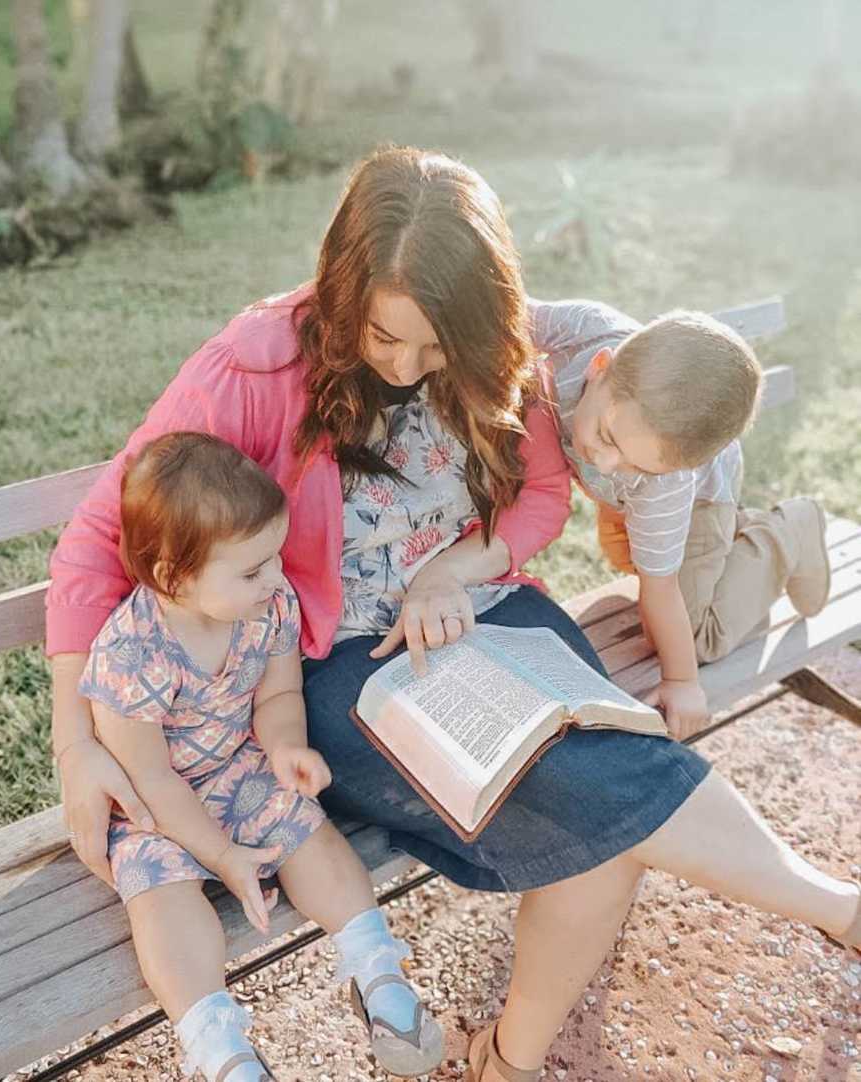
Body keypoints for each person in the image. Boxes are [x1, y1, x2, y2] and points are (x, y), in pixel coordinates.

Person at [48, 146, 859, 1082]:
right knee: (611, 803)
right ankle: (833, 908)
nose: (405, 366)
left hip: (494, 614)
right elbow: (95, 542)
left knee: (605, 807)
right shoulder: (257, 363)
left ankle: (506, 1062)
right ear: (344, 288)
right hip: (348, 660)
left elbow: (543, 497)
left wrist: (451, 573)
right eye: (384, 337)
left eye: (436, 345)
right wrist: (78, 743)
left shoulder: (496, 353)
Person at [74, 432, 443, 1082]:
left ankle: (376, 969)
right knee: (161, 901)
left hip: (240, 768)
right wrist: (221, 857)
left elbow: (278, 693)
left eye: (273, 557)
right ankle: (220, 1047)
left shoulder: (267, 608)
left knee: (310, 831)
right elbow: (149, 776)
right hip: (154, 804)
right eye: (252, 569)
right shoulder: (131, 655)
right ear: (171, 577)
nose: (275, 577)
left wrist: (284, 748)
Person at [534, 299, 832, 739]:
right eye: (605, 435)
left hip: (700, 507)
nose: (608, 461)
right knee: (629, 556)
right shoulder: (583, 329)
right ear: (600, 367)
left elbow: (661, 585)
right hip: (638, 502)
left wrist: (681, 681)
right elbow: (499, 315)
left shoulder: (665, 484)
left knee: (694, 640)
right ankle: (736, 538)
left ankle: (788, 530)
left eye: (635, 465)